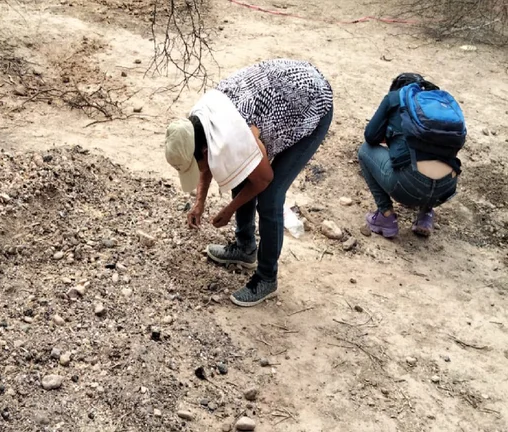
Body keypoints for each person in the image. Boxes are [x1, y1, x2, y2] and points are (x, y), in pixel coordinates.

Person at [164, 59, 333, 307]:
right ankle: (245, 249)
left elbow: (263, 179)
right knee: (239, 171)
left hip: (312, 103)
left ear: (200, 149)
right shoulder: (195, 125)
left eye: (193, 163)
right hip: (279, 96)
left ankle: (267, 278)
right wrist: (199, 203)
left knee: (270, 198)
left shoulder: (232, 135)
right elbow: (209, 159)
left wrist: (229, 209)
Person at [359, 73, 464, 238]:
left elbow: (370, 136)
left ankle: (385, 216)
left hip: (408, 187)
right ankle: (425, 216)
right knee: (435, 155)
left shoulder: (394, 98)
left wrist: (391, 135)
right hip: (446, 188)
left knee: (365, 151)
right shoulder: (438, 107)